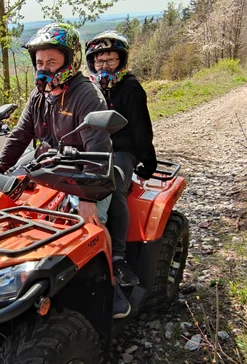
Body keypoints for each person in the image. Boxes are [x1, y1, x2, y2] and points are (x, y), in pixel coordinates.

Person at [0, 23, 134, 318]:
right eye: (40, 62)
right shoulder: (40, 96)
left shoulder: (87, 95)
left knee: (89, 225)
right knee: (5, 200)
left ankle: (111, 284)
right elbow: (20, 135)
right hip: (48, 162)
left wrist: (88, 196)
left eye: (52, 62)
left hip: (85, 169)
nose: (44, 68)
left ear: (69, 62)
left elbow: (98, 151)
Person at [85, 31, 158, 291]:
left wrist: (148, 161)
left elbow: (141, 128)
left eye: (110, 61)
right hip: (92, 148)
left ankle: (117, 256)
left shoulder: (131, 88)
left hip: (122, 151)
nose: (104, 67)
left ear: (121, 62)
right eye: (99, 61)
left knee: (112, 185)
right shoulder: (89, 87)